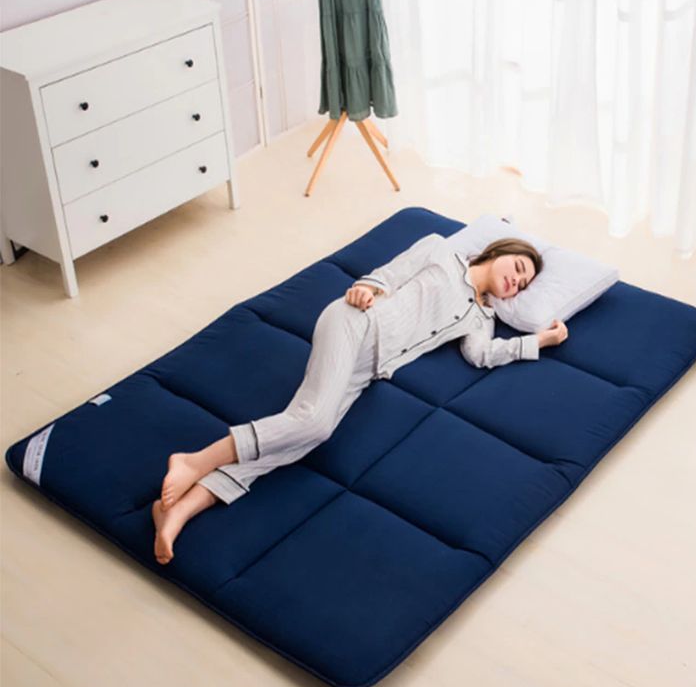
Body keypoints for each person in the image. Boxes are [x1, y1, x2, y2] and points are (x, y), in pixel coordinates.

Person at [152, 233, 568, 564]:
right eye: (517, 267)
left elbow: (481, 355)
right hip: (356, 322)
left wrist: (538, 341)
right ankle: (193, 461)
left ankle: (180, 511)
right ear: (496, 252)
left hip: (369, 367)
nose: (516, 281)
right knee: (312, 422)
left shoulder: (482, 317)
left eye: (523, 284)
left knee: (304, 437)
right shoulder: (441, 250)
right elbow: (388, 274)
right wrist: (366, 289)